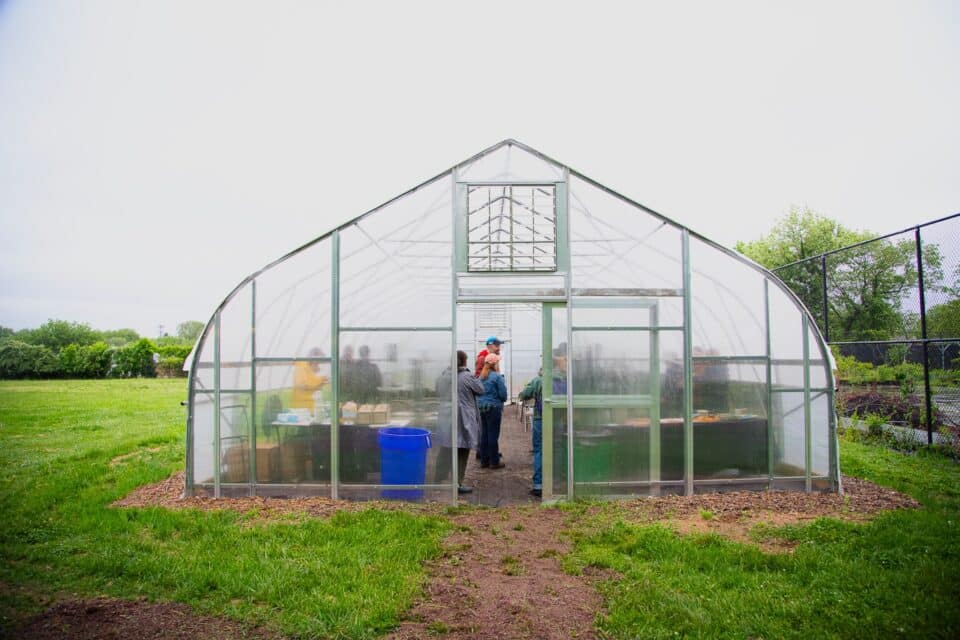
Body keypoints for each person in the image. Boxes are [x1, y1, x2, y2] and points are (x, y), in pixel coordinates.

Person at [434, 350, 484, 494]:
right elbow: (481, 389)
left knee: (445, 448)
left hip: (445, 418)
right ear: (464, 361)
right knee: (462, 450)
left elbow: (437, 391)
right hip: (462, 419)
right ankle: (457, 484)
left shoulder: (443, 376)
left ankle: (438, 479)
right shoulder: (467, 376)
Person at [518, 353, 567, 498]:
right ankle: (556, 482)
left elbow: (524, 395)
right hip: (558, 420)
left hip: (541, 419)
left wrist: (527, 392)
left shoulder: (538, 380)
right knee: (557, 449)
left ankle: (539, 485)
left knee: (540, 450)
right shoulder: (564, 379)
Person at [477, 353, 508, 469]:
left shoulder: (481, 377)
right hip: (493, 408)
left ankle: (484, 461)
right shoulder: (497, 377)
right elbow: (503, 395)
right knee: (493, 435)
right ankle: (494, 462)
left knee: (484, 434)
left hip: (482, 408)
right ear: (495, 364)